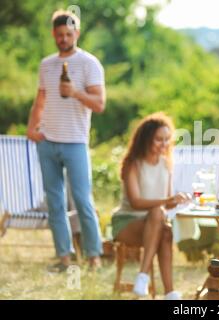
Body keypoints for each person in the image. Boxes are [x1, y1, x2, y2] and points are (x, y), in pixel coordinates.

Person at [26, 10, 106, 272]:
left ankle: (94, 258)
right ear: (53, 34)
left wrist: (75, 92)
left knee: (83, 201)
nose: (63, 38)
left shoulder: (89, 64)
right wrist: (31, 128)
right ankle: (64, 258)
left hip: (75, 143)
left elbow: (100, 104)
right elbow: (40, 100)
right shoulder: (46, 64)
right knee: (55, 203)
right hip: (48, 142)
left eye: (68, 34)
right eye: (59, 35)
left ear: (77, 33)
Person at [111, 112, 190, 299]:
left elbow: (167, 206)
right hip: (127, 222)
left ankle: (163, 289)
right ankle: (147, 277)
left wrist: (177, 201)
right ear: (146, 139)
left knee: (165, 230)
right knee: (158, 214)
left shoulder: (166, 164)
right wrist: (166, 201)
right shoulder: (133, 164)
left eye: (167, 140)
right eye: (158, 140)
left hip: (154, 223)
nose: (164, 145)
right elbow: (136, 202)